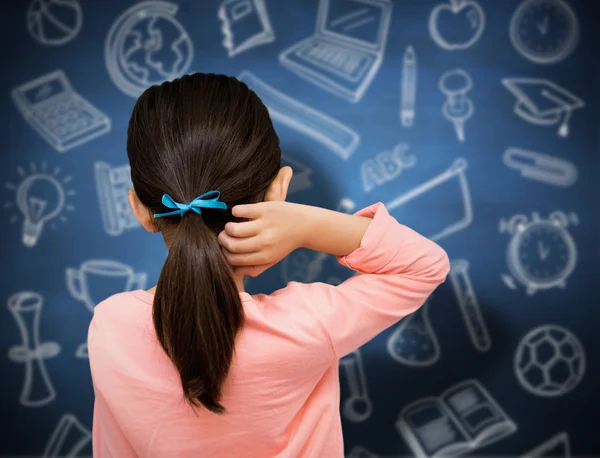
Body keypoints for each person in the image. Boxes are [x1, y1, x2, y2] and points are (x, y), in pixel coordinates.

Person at [88, 73, 450, 457]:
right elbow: (424, 266)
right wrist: (309, 225)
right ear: (279, 191)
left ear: (141, 210)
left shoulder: (110, 327)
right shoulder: (307, 325)